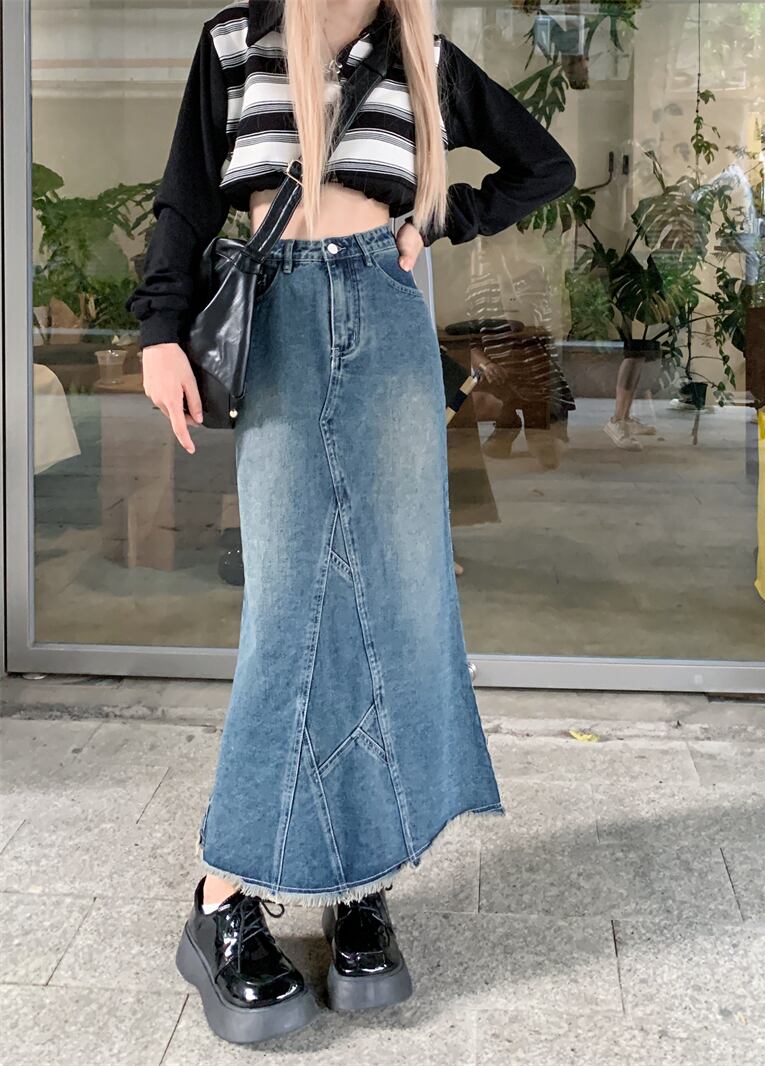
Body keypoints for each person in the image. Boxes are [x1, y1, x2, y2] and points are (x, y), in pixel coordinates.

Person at [126, 0, 574, 1045]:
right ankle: (222, 895)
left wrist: (437, 220)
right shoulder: (238, 41)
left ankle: (359, 878)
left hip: (383, 312)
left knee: (400, 599)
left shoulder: (423, 53)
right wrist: (157, 330)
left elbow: (541, 166)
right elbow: (187, 196)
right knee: (293, 610)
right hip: (277, 314)